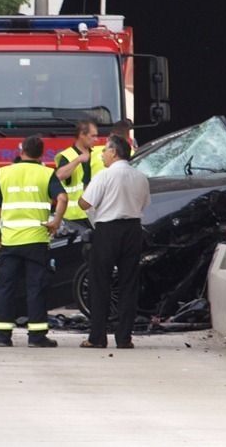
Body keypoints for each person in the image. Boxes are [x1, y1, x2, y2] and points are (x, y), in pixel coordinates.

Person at [0, 135, 68, 348]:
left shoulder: (5, 173)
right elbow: (62, 198)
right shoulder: (46, 173)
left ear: (22, 150)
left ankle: (3, 337)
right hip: (36, 239)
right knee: (36, 287)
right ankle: (36, 336)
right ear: (41, 153)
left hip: (11, 240)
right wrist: (56, 222)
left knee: (7, 288)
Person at [78, 134, 150, 349]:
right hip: (133, 230)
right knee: (129, 284)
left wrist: (86, 200)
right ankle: (124, 338)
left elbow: (84, 203)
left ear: (114, 152)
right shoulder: (140, 177)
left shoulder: (104, 176)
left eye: (104, 151)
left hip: (107, 231)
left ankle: (97, 337)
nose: (101, 155)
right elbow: (144, 204)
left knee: (100, 284)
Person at [55, 121, 98, 227]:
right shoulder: (68, 155)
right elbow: (59, 175)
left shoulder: (98, 153)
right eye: (92, 136)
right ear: (82, 135)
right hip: (74, 217)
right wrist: (77, 160)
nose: (96, 139)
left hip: (95, 214)